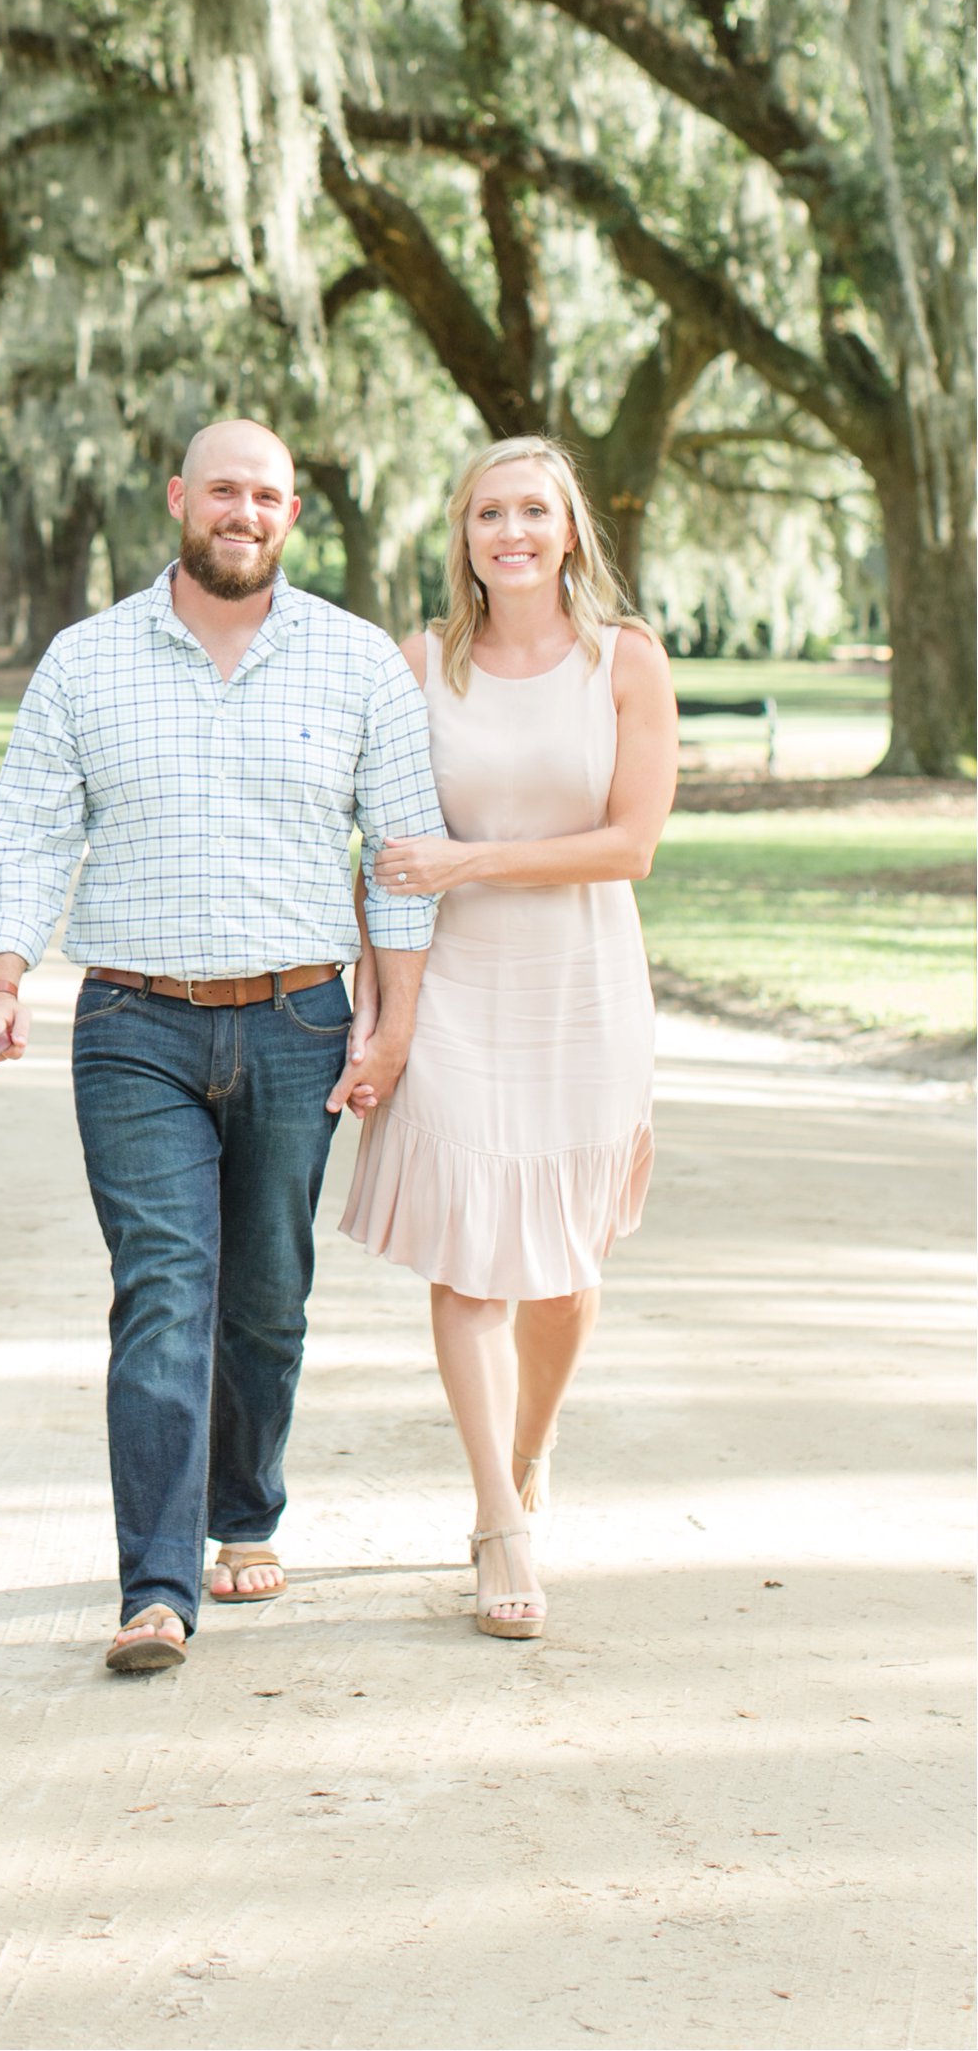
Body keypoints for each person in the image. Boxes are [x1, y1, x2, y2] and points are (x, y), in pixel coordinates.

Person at [0, 418, 443, 1675]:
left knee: (266, 1299)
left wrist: (389, 1024)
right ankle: (155, 1586)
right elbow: (28, 829)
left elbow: (396, 862)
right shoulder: (84, 660)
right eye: (222, 488)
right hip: (134, 1024)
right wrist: (1, 977)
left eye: (267, 494)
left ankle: (244, 1510)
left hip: (297, 1019)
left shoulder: (355, 662)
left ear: (290, 515)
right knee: (165, 1293)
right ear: (179, 498)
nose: (243, 510)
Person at [338, 434, 676, 1638]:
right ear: (463, 534)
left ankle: (528, 1452)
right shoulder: (418, 662)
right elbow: (380, 857)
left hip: (583, 986)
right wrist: (380, 1010)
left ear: (569, 529)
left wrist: (470, 857)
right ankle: (496, 1519)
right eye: (489, 512)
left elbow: (627, 844)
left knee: (565, 1271)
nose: (512, 531)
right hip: (460, 988)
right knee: (467, 1256)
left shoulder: (624, 661)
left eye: (533, 509)